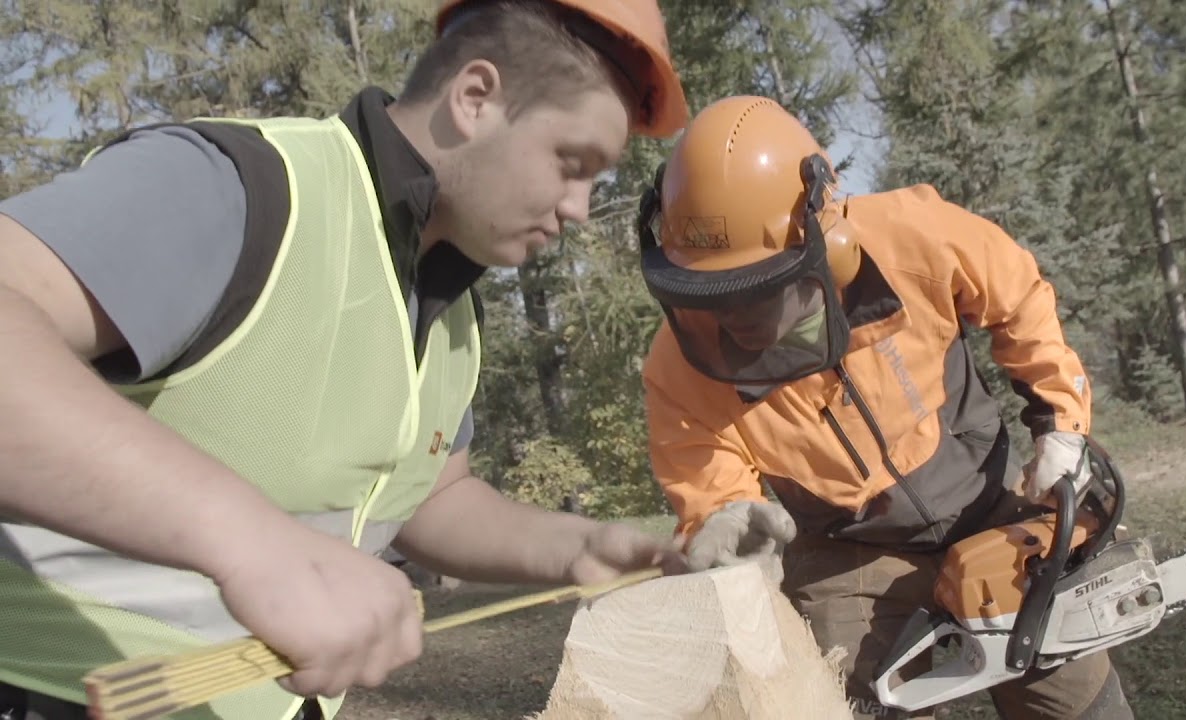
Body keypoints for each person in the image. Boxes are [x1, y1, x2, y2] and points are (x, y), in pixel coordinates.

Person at [0, 1, 689, 719]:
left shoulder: (454, 310)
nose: (579, 208)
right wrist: (250, 542)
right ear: (475, 98)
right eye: (571, 164)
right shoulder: (243, 189)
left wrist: (580, 545)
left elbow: (430, 502)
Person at [635, 95, 1134, 719]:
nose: (732, 319)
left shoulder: (916, 238)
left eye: (752, 290)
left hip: (984, 502)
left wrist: (1061, 423)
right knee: (848, 697)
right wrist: (727, 538)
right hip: (846, 548)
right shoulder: (678, 368)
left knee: (1074, 690)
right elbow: (711, 493)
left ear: (828, 241)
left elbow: (1019, 299)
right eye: (707, 292)